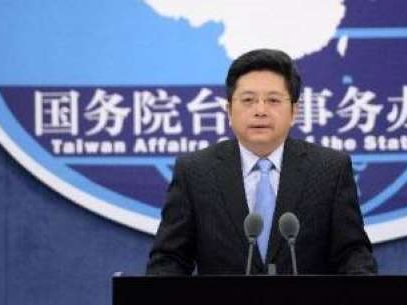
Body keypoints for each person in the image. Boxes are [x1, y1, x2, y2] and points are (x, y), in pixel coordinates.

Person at [147, 48, 377, 275]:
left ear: (294, 111)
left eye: (273, 100)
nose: (260, 111)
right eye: (248, 100)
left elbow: (353, 254)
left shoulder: (329, 169)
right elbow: (169, 259)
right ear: (229, 110)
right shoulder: (195, 171)